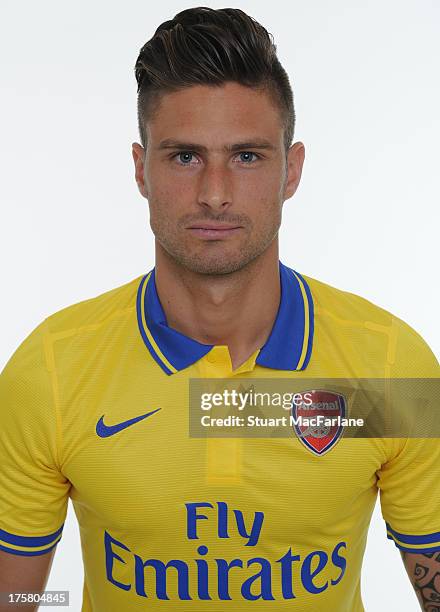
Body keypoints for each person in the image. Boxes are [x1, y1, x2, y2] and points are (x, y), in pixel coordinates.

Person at [0, 7, 439, 611]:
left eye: (247, 156)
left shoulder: (392, 368)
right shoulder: (49, 374)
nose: (214, 192)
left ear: (292, 169)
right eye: (184, 156)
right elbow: (14, 599)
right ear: (140, 169)